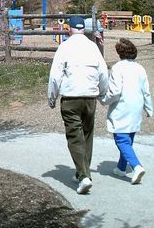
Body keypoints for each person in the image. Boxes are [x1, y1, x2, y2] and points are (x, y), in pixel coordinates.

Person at [48, 15, 108, 194]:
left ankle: (84, 177)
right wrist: (102, 93)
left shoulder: (64, 47)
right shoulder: (93, 47)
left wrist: (52, 97)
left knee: (74, 136)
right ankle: (83, 171)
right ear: (84, 29)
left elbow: (55, 76)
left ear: (69, 28)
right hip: (90, 96)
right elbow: (103, 72)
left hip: (71, 97)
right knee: (87, 134)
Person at [99, 38, 153, 185]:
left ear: (119, 53)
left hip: (122, 106)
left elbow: (115, 91)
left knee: (121, 140)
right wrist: (149, 108)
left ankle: (136, 166)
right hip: (136, 105)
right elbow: (146, 90)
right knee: (128, 138)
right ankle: (121, 168)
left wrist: (103, 99)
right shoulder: (140, 68)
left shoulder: (117, 68)